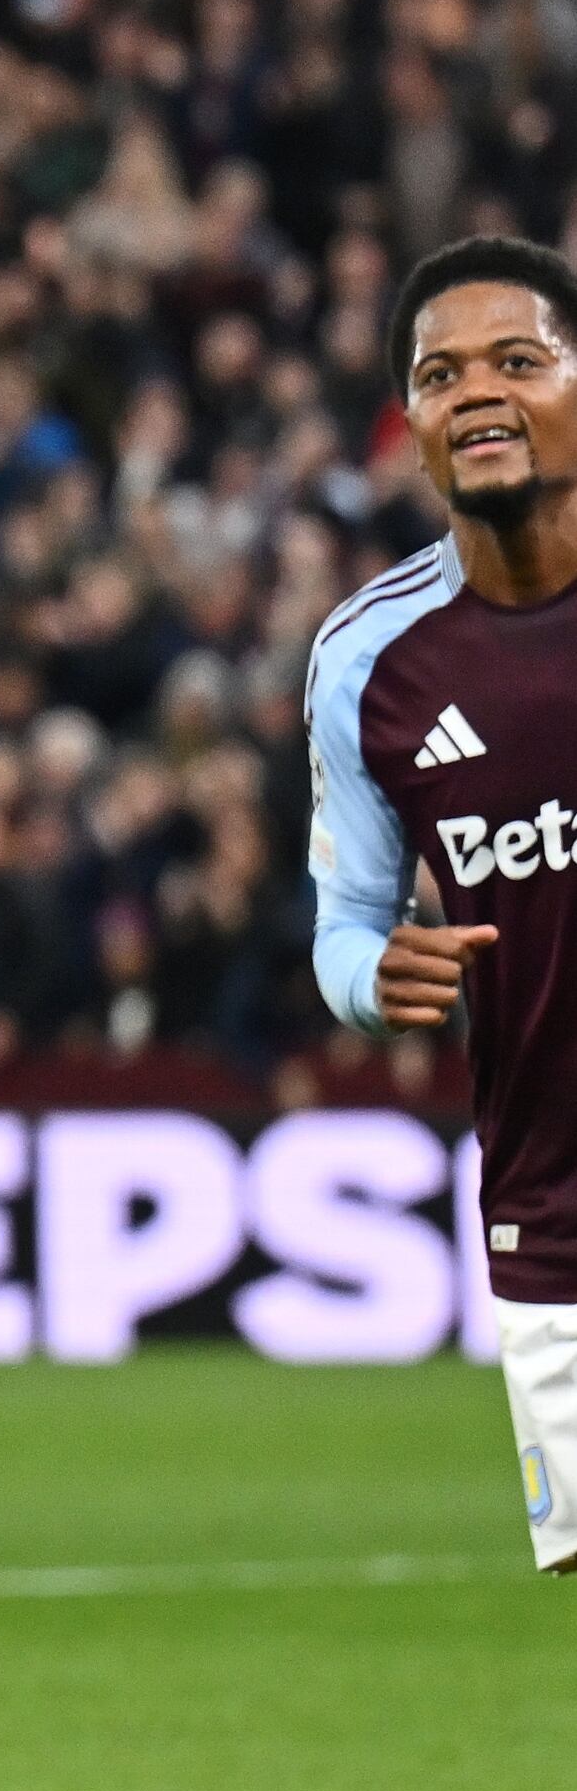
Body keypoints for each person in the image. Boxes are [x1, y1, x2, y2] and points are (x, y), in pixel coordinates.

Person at [309, 232, 577, 1577]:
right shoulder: (366, 660)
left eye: (516, 360)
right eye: (438, 374)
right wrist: (377, 975)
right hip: (551, 1186)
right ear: (409, 426)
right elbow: (343, 925)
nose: (476, 391)